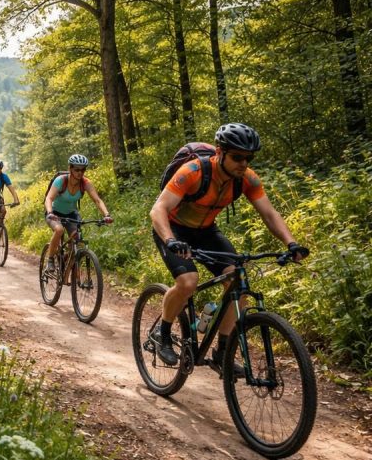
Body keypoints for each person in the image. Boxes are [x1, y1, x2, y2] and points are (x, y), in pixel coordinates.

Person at [149, 123, 309, 377]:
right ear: (220, 152)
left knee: (237, 280)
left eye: (248, 158)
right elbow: (158, 210)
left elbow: (269, 213)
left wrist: (291, 243)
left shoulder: (246, 179)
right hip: (173, 230)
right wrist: (170, 240)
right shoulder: (192, 171)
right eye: (237, 157)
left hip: (207, 231)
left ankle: (222, 352)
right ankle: (163, 332)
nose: (243, 163)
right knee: (188, 281)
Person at [44, 154, 112, 270]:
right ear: (70, 168)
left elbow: (97, 200)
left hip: (71, 214)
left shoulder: (85, 183)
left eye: (83, 169)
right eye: (77, 169)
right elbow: (49, 198)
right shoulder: (61, 181)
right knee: (59, 230)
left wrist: (106, 215)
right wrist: (50, 212)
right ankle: (50, 260)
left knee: (76, 239)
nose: (80, 173)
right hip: (54, 213)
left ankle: (66, 269)